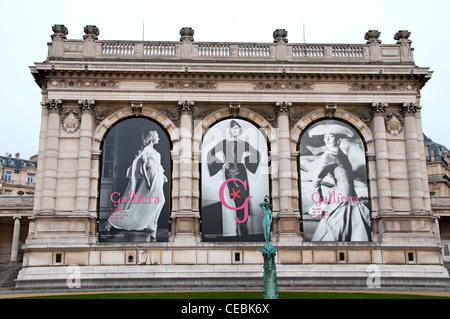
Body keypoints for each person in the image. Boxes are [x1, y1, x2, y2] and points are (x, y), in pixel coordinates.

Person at [305, 123, 370, 241]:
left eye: (331, 136)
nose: (327, 139)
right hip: (341, 200)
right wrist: (320, 200)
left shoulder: (340, 154)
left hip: (349, 199)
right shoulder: (329, 155)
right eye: (325, 137)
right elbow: (316, 180)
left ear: (338, 139)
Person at [104, 130, 167, 241]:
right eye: (157, 137)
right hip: (151, 177)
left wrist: (163, 175)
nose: (159, 139)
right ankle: (114, 220)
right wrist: (147, 180)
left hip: (159, 176)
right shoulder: (146, 150)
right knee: (155, 202)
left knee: (157, 202)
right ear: (152, 138)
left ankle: (152, 225)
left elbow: (159, 165)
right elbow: (142, 168)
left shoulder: (155, 151)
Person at [207, 120, 261, 238]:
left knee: (245, 197)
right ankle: (241, 225)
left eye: (237, 128)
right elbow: (211, 154)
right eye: (233, 128)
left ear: (239, 130)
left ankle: (241, 224)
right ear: (230, 130)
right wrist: (221, 164)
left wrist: (246, 162)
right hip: (231, 172)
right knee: (239, 197)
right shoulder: (224, 143)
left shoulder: (243, 143)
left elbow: (257, 153)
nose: (235, 130)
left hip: (242, 171)